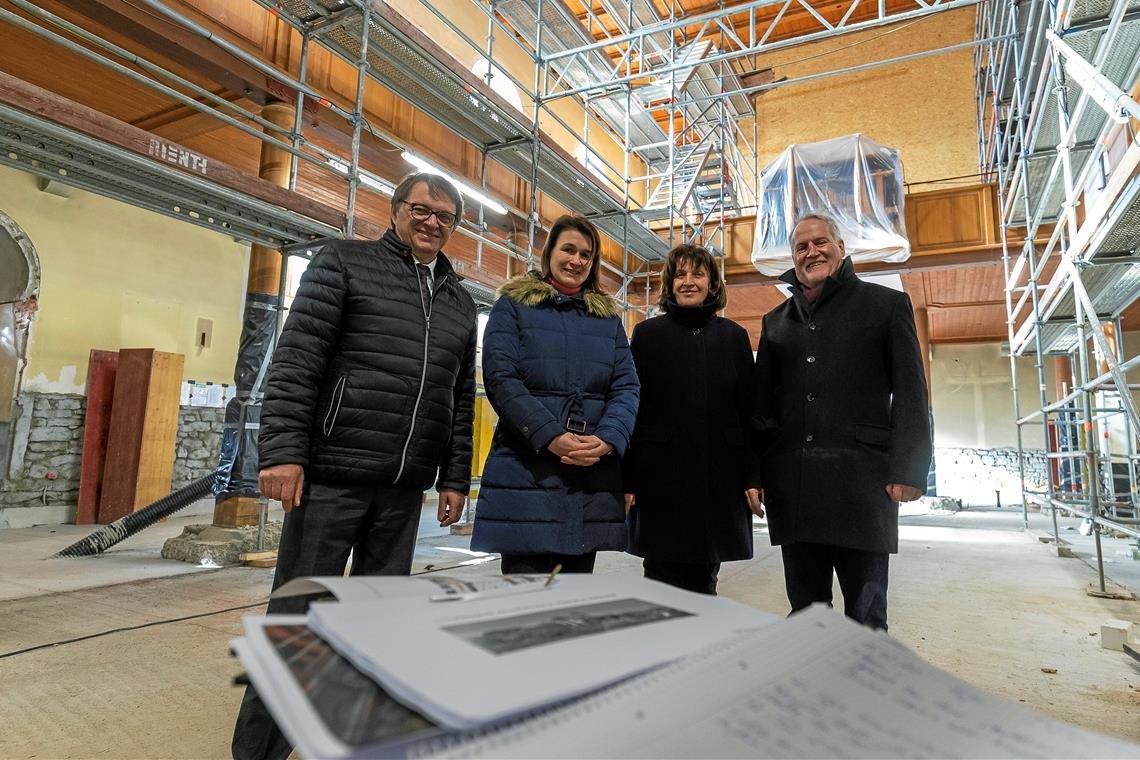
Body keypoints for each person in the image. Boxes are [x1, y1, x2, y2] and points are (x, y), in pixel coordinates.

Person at [231, 172, 478, 760]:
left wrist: (455, 475)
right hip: (332, 480)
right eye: (421, 209)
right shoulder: (344, 263)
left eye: (445, 216)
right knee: (297, 618)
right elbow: (296, 360)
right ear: (395, 210)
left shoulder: (460, 303)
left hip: (401, 490)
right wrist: (286, 451)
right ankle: (261, 753)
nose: (432, 221)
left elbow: (460, 395)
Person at [752, 211, 931, 630]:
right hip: (795, 488)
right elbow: (762, 409)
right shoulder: (775, 322)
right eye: (801, 247)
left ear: (841, 248)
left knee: (866, 616)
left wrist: (908, 469)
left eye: (820, 242)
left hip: (863, 487)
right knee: (806, 613)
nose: (811, 251)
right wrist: (756, 473)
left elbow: (910, 391)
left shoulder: (885, 305)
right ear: (794, 258)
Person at [470, 215, 639, 575]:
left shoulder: (607, 320)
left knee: (573, 597)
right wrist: (551, 436)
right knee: (525, 597)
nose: (576, 261)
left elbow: (627, 385)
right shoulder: (513, 307)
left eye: (586, 255)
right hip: (526, 470)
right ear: (549, 252)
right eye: (569, 250)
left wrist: (607, 439)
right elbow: (502, 378)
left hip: (589, 473)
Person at [624, 244, 762, 595]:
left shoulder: (733, 338)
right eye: (680, 275)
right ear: (669, 284)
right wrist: (627, 479)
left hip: (719, 476)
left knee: (704, 576)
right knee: (658, 575)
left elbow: (749, 412)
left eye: (697, 274)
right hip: (659, 476)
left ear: (712, 284)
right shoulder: (647, 335)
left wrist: (752, 476)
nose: (688, 282)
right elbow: (632, 409)